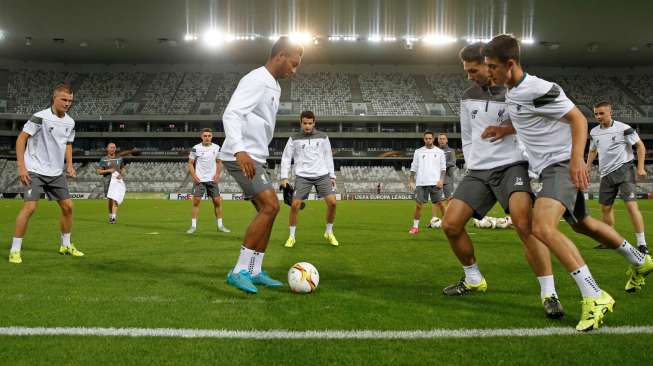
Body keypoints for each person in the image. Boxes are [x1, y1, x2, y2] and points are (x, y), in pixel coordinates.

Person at [482, 34, 652, 331]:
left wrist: (576, 160)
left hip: (559, 166)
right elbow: (528, 118)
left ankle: (594, 294)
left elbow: (577, 119)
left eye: (493, 66)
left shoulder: (539, 88)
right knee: (583, 224)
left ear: (510, 64)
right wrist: (504, 128)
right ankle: (640, 260)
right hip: (549, 168)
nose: (489, 72)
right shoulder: (513, 91)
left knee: (542, 227)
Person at [440, 43, 563, 319]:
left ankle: (549, 293)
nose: (469, 76)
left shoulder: (515, 92)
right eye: (467, 71)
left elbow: (535, 123)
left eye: (473, 70)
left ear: (488, 64)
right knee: (450, 225)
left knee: (523, 223)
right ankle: (473, 278)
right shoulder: (468, 95)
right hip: (478, 170)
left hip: (512, 166)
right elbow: (468, 135)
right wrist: (472, 163)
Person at [220, 36, 303, 294]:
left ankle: (255, 271)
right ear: (280, 56)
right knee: (271, 205)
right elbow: (231, 113)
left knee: (270, 210)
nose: (294, 70)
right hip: (241, 155)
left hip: (256, 155)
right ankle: (239, 271)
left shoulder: (273, 85)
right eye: (293, 63)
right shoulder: (256, 79)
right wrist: (240, 150)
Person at [8, 84, 83, 264]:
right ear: (54, 98)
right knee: (30, 207)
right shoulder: (40, 117)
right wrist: (21, 167)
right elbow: (21, 139)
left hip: (56, 173)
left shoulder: (70, 122)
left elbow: (68, 144)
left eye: (70, 101)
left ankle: (65, 245)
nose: (67, 104)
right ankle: (15, 250)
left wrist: (70, 165)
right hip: (34, 170)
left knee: (68, 207)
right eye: (64, 99)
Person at [587, 101, 648, 254]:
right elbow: (593, 150)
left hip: (624, 170)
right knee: (605, 208)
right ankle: (609, 239)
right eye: (596, 113)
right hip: (605, 174)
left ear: (610, 112)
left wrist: (640, 167)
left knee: (631, 205)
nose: (598, 116)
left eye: (601, 113)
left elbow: (640, 146)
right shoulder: (594, 132)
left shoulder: (624, 129)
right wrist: (587, 167)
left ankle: (642, 244)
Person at [280, 110, 338, 248]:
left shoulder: (323, 137)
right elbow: (286, 158)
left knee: (333, 203)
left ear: (314, 123)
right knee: (295, 205)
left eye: (310, 123)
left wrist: (332, 175)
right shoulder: (293, 138)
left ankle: (329, 232)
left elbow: (328, 156)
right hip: (303, 176)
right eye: (305, 123)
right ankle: (292, 236)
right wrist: (284, 177)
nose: (307, 126)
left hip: (322, 175)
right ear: (300, 122)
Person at [186, 128, 230, 234]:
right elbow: (190, 163)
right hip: (200, 180)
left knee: (217, 202)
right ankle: (193, 226)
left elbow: (219, 162)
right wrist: (194, 176)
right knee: (196, 202)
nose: (207, 137)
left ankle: (220, 226)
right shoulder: (196, 148)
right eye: (205, 136)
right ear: (201, 137)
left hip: (212, 180)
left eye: (209, 136)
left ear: (211, 137)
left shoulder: (216, 147)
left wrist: (217, 175)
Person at [408, 131, 447, 234]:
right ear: (424, 139)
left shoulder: (440, 152)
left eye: (430, 138)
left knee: (441, 204)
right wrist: (411, 180)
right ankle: (415, 227)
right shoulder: (418, 151)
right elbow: (414, 166)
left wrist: (441, 180)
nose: (428, 140)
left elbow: (443, 168)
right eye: (426, 138)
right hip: (421, 182)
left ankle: (449, 225)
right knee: (418, 206)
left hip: (436, 182)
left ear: (433, 139)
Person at [97, 142, 125, 224]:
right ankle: (110, 215)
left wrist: (122, 174)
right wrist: (108, 170)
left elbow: (122, 168)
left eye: (114, 147)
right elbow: (99, 171)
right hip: (108, 181)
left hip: (117, 181)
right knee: (110, 199)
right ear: (107, 149)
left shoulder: (119, 158)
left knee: (115, 199)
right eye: (111, 147)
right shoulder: (104, 159)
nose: (113, 149)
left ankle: (113, 217)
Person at [437, 133, 457, 208]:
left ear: (447, 140)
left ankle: (448, 217)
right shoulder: (435, 151)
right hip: (437, 179)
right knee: (437, 200)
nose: (442, 140)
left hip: (448, 178)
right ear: (438, 140)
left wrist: (442, 165)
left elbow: (453, 162)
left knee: (449, 199)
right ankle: (435, 218)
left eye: (443, 139)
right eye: (440, 139)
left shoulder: (451, 151)